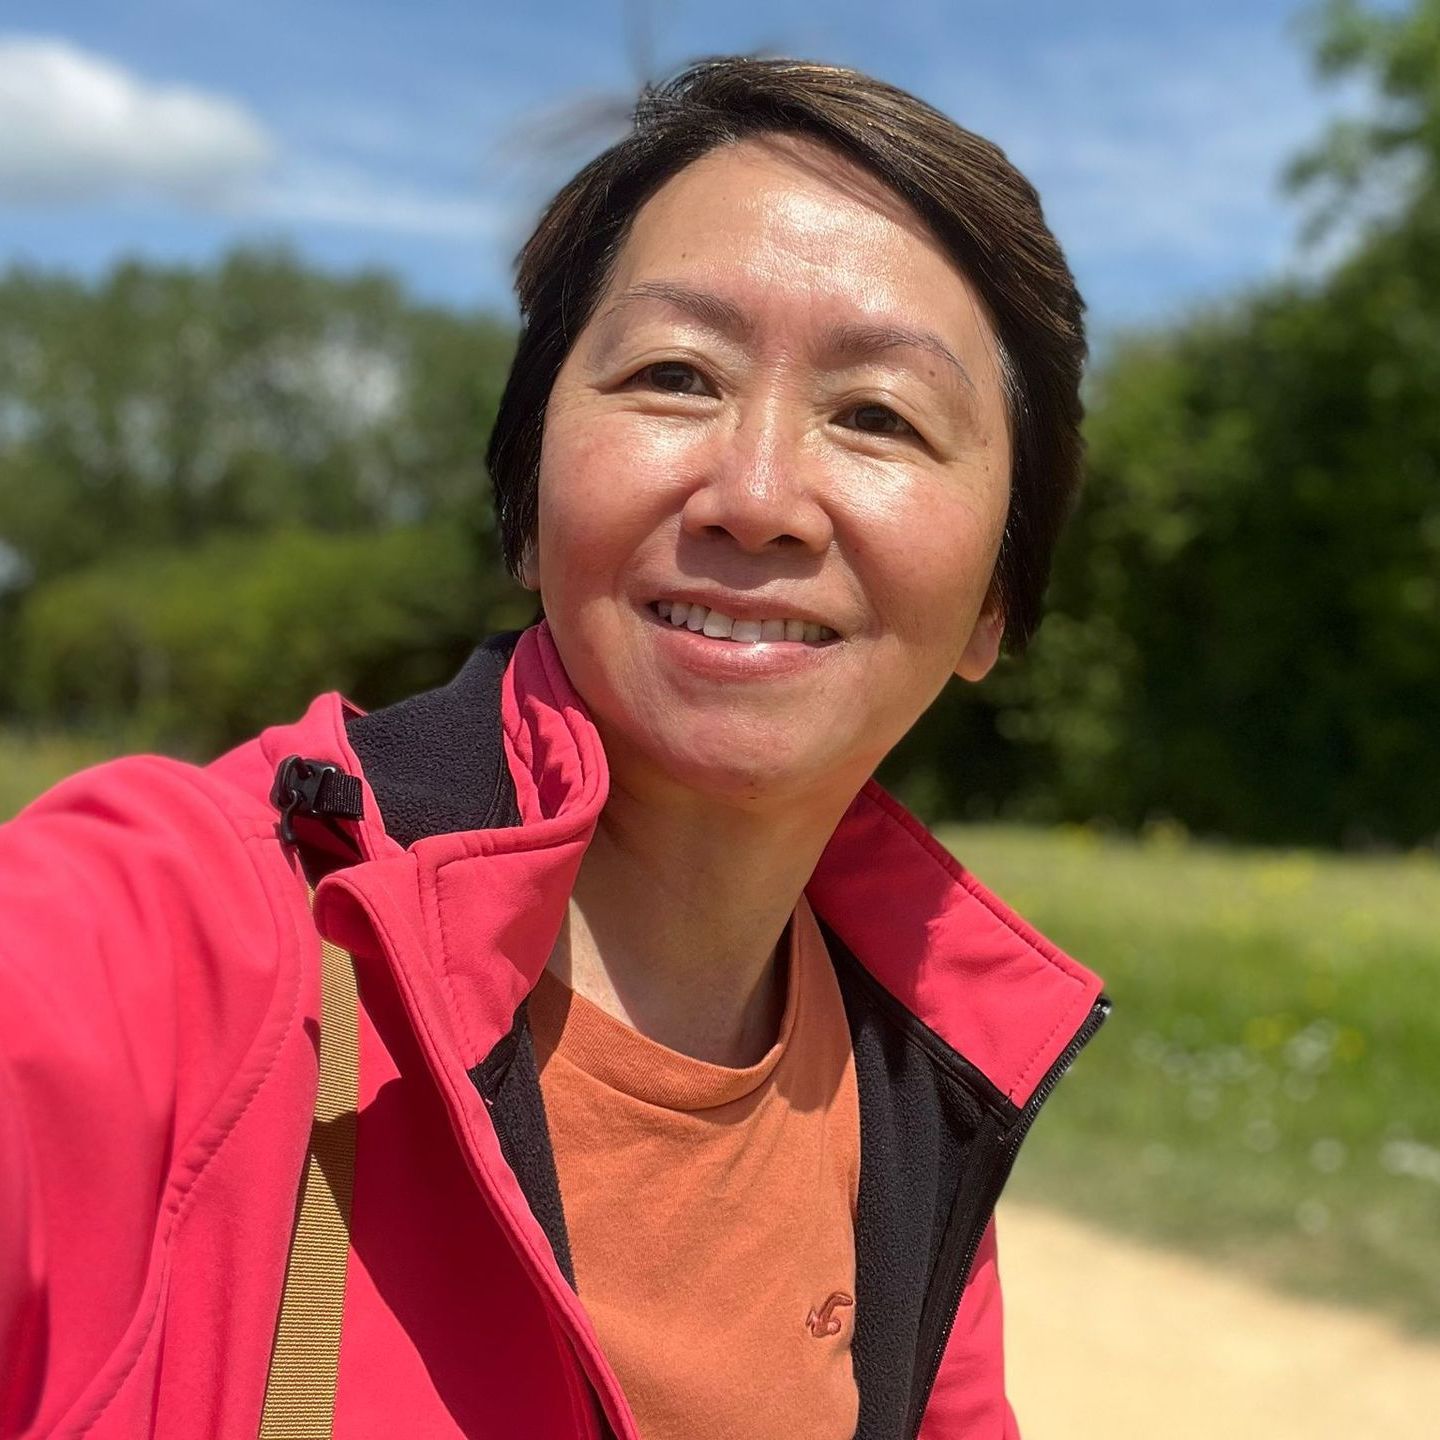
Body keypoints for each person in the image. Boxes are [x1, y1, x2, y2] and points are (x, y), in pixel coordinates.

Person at [0, 56, 1109, 1440]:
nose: (758, 496)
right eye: (674, 375)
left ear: (995, 603)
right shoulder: (180, 945)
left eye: (878, 414)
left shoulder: (908, 1086)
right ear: (527, 503)